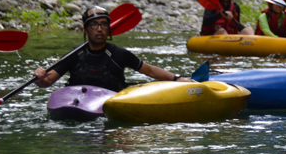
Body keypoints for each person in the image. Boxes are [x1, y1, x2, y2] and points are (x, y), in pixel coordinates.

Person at [34, 6, 192, 91]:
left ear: (109, 30)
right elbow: (47, 82)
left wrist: (177, 79)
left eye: (103, 24)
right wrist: (39, 77)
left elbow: (149, 71)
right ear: (85, 30)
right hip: (77, 102)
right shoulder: (75, 54)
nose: (99, 29)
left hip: (110, 103)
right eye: (94, 25)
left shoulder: (118, 54)